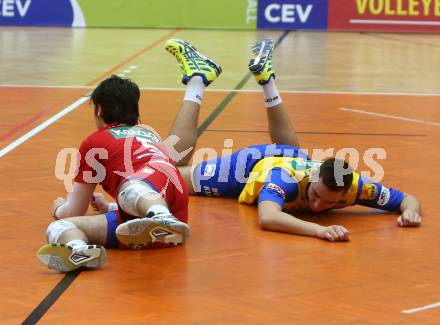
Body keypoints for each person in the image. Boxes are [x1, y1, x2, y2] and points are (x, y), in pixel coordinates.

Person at [96, 38, 422, 243]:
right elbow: (269, 217)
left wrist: (411, 213)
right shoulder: (284, 180)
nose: (322, 207)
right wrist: (320, 230)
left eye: (333, 203)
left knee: (292, 152)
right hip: (249, 168)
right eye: (320, 197)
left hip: (287, 154)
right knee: (167, 167)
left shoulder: (350, 186)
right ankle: (198, 77)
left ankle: (267, 81)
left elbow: (407, 199)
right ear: (311, 177)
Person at [36, 39, 222, 272]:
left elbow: (74, 209)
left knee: (117, 194)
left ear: (100, 110)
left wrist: (58, 209)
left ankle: (161, 217)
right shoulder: (146, 133)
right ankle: (79, 249)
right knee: (60, 229)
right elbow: (175, 158)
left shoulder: (95, 142)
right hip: (162, 204)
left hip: (149, 192)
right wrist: (111, 208)